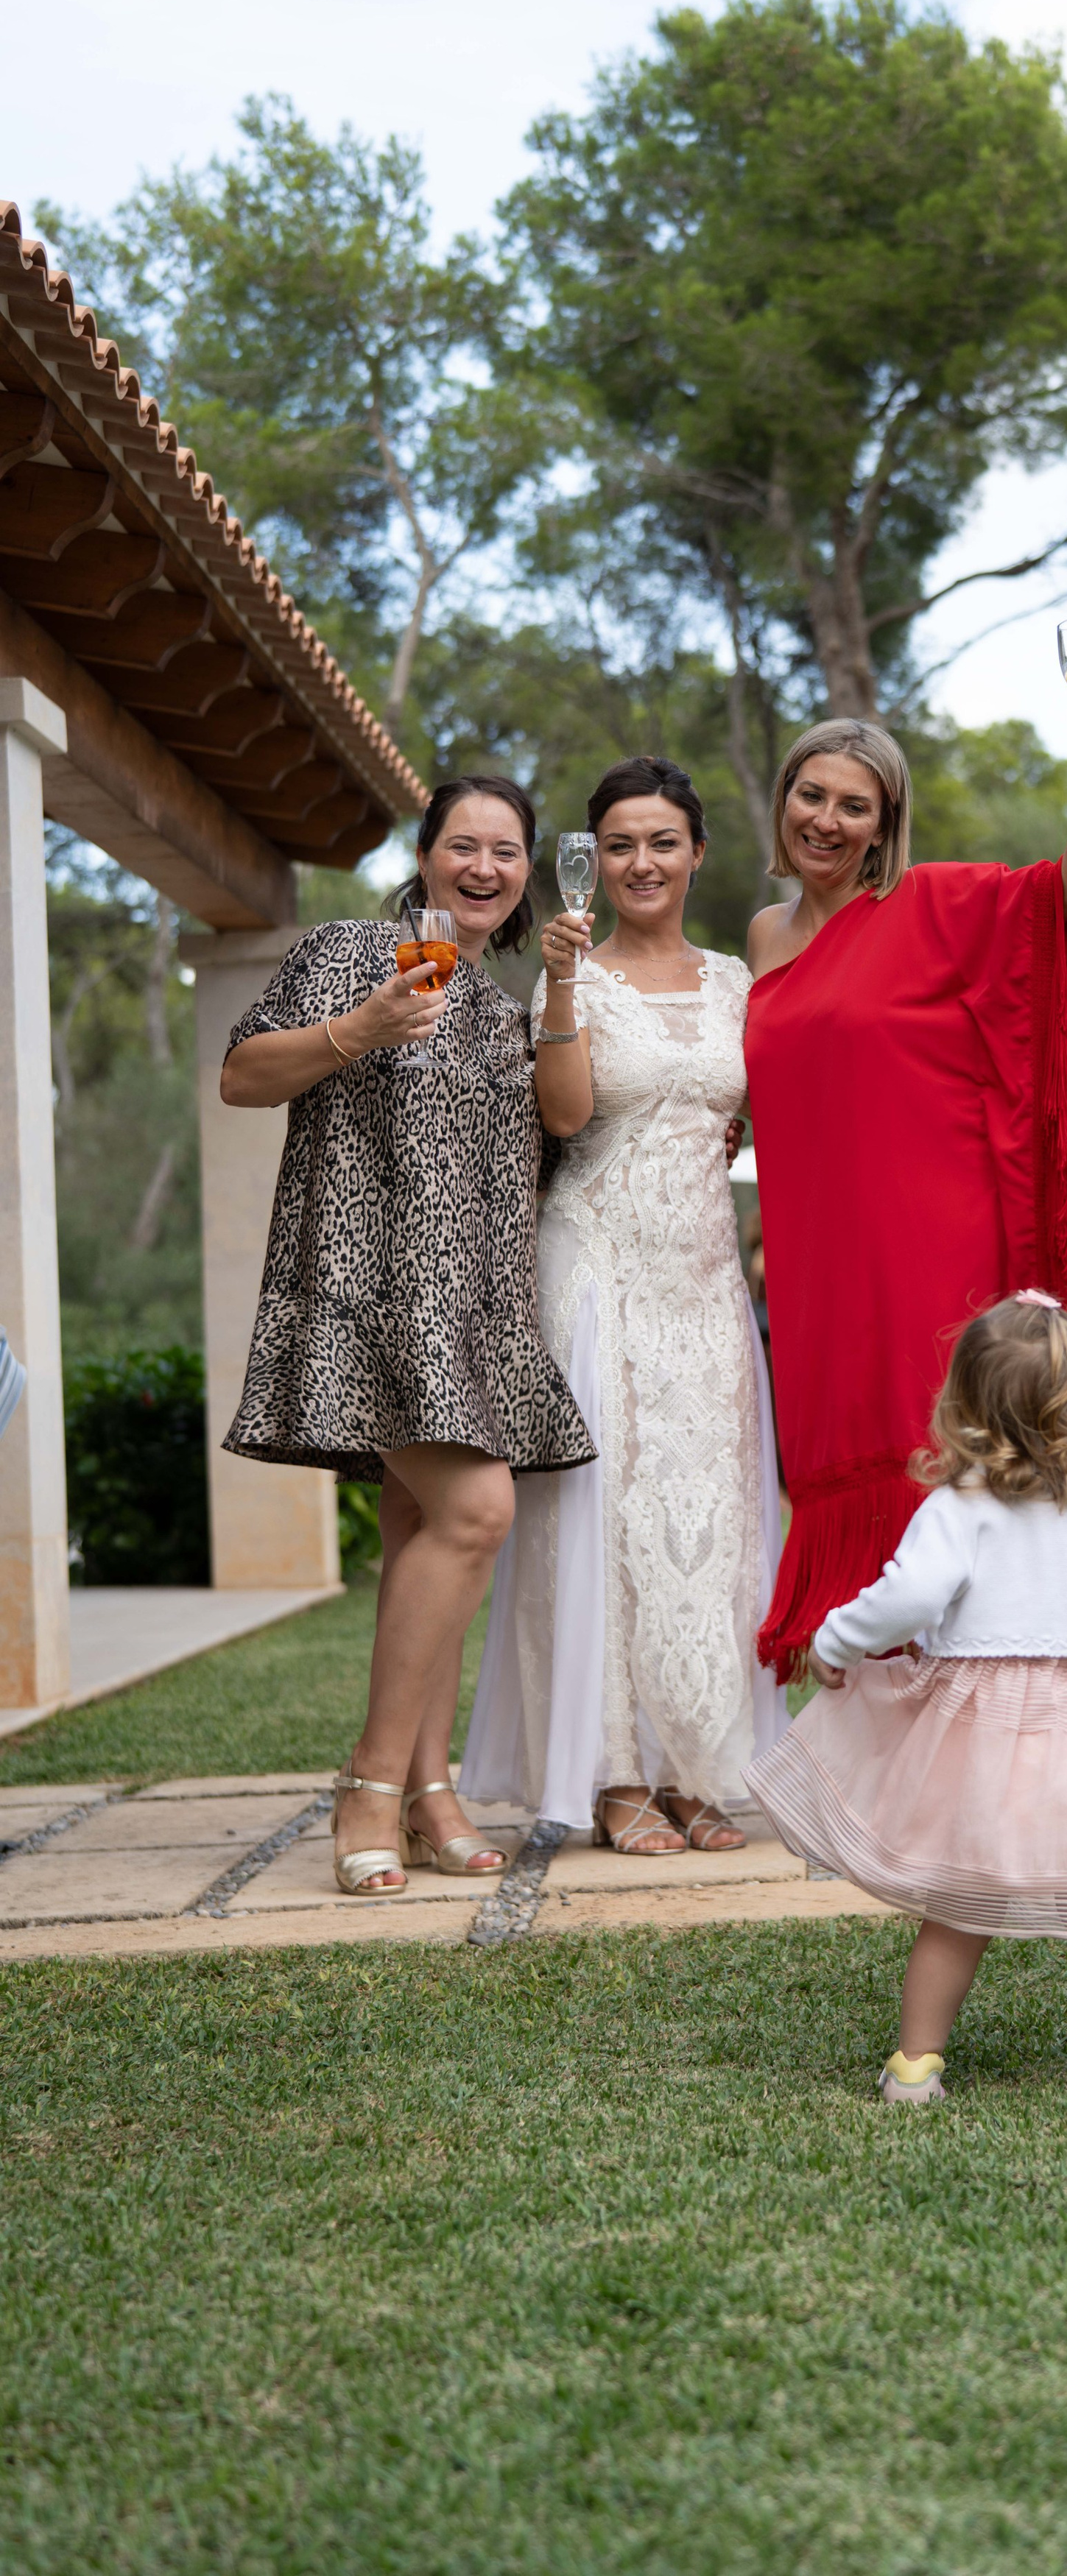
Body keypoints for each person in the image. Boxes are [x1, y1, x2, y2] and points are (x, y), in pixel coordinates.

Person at [745, 1294, 1067, 2103]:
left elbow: (909, 1595)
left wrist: (837, 1641)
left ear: (964, 1407)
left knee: (958, 1907)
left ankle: (916, 2064)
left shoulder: (957, 1512)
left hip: (978, 1734)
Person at [220, 774, 594, 1897]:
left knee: (428, 1527)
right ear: (425, 857)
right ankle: (371, 1784)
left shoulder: (503, 1010)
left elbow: (556, 1132)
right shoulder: (349, 952)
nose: (485, 868)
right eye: (463, 846)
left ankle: (431, 1795)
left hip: (471, 1315)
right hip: (364, 1297)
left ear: (528, 874)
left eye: (507, 852)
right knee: (477, 1512)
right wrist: (360, 1029)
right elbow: (242, 1074)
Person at [742, 693, 1067, 1678]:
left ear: (885, 825)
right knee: (840, 1445)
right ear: (784, 800)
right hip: (819, 1254)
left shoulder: (927, 903)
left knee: (934, 1439)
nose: (827, 821)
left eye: (855, 806)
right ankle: (885, 1683)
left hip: (930, 1236)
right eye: (811, 795)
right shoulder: (763, 937)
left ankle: (982, 1672)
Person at [462, 758, 784, 1856]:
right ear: (592, 861)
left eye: (661, 842)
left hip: (706, 1277)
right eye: (618, 844)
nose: (640, 862)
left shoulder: (737, 981)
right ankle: (615, 1775)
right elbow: (563, 1118)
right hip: (596, 1267)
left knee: (709, 1517)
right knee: (599, 1521)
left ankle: (698, 1766)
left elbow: (760, 1106)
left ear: (697, 854)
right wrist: (557, 987)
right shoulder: (576, 978)